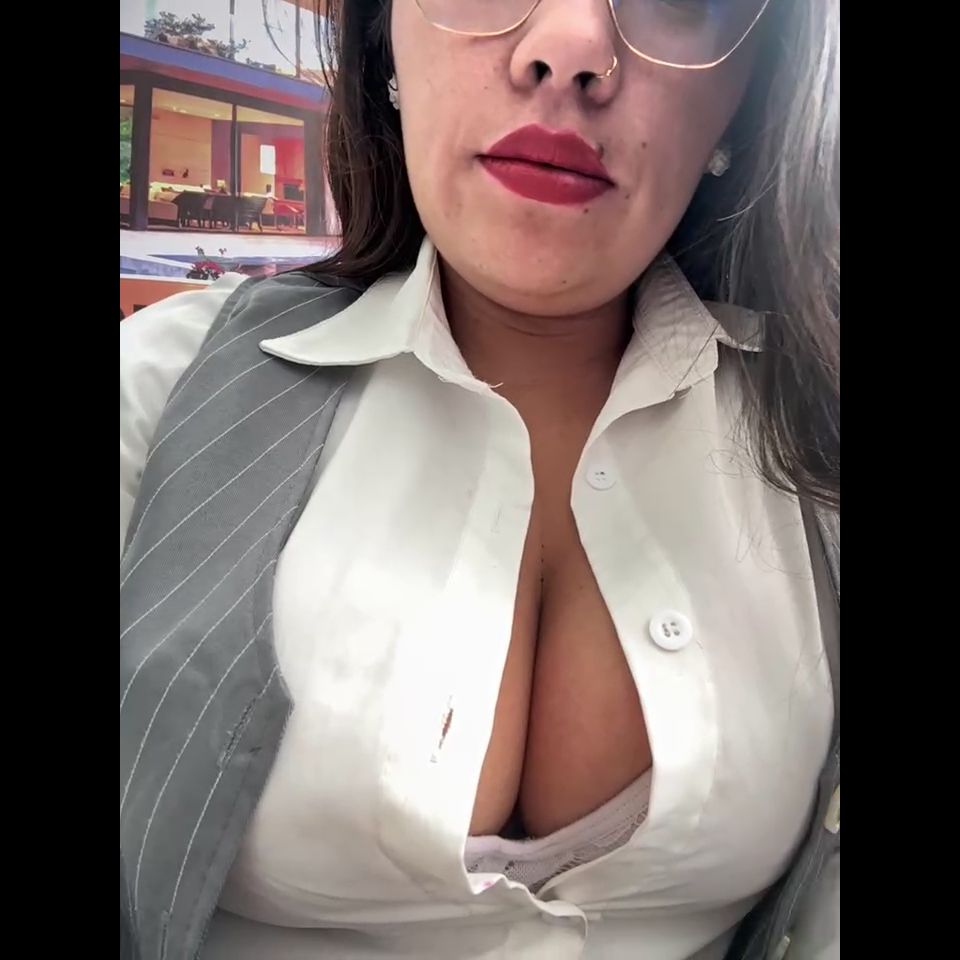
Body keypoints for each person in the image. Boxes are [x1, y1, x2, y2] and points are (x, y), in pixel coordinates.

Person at [120, 1, 840, 958]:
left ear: (749, 95)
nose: (570, 48)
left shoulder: (816, 442)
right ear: (382, 39)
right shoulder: (158, 391)